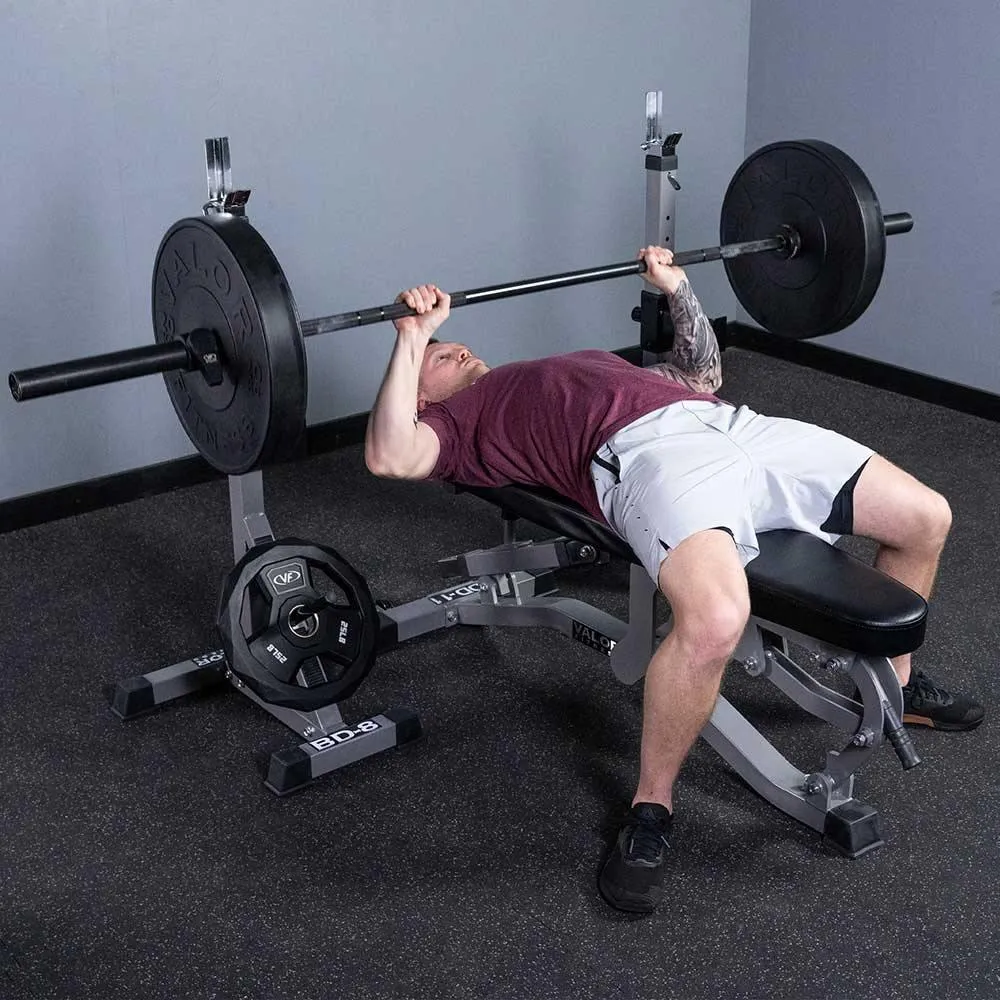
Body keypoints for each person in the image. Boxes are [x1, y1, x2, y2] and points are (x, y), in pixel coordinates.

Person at [364, 246, 984, 915]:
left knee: (927, 516)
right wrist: (411, 336)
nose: (453, 348)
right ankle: (651, 809)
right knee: (715, 620)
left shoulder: (580, 363)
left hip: (737, 428)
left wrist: (676, 286)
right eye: (440, 354)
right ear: (420, 393)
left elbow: (703, 373)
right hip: (649, 460)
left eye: (452, 342)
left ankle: (900, 684)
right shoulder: (457, 426)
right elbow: (388, 453)